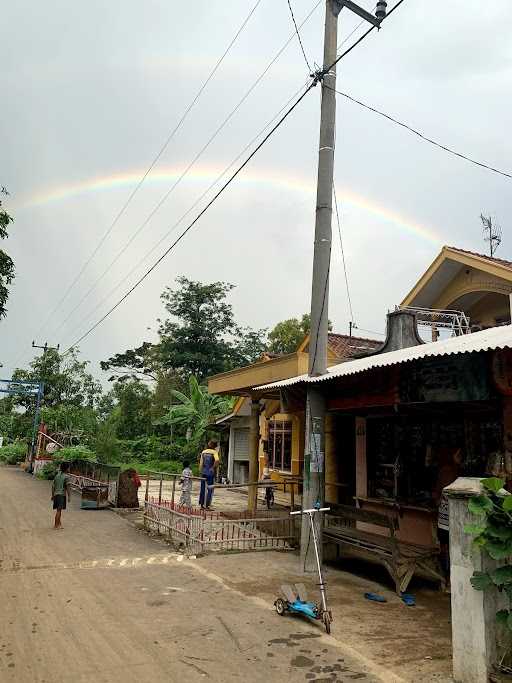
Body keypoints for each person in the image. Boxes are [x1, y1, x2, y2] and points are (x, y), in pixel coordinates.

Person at [433, 446, 462, 581]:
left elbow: (437, 493)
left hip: (444, 517)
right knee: (449, 548)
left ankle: (447, 577)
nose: (460, 458)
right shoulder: (449, 472)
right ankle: (448, 577)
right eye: (458, 455)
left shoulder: (447, 471)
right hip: (448, 518)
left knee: (445, 547)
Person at [198, 440, 219, 509]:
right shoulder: (214, 452)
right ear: (214, 446)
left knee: (202, 488)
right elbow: (217, 460)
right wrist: (213, 468)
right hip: (210, 473)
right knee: (210, 489)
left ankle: (201, 505)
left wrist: (200, 471)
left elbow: (201, 463)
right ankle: (207, 505)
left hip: (203, 472)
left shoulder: (203, 452)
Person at [51, 462, 71, 529]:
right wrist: (69, 496)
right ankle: (56, 525)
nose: (69, 469)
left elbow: (53, 486)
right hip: (61, 495)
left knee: (59, 510)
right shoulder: (67, 477)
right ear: (66, 468)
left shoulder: (57, 476)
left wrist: (52, 495)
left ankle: (59, 524)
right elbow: (68, 487)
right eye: (68, 467)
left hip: (56, 494)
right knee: (59, 510)